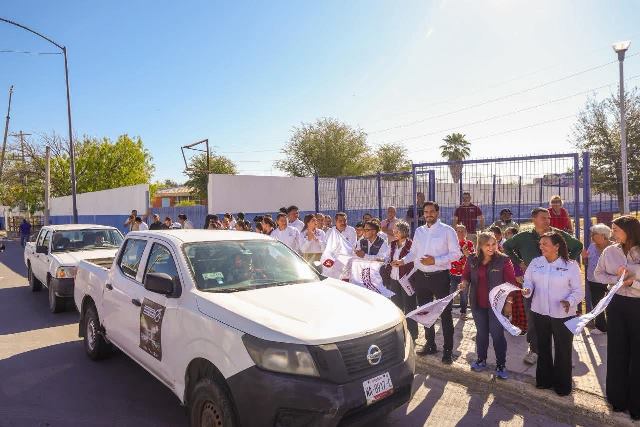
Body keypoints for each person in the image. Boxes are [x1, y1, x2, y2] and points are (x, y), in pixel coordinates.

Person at [503, 207, 583, 365]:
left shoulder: (557, 235)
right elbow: (507, 247)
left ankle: (563, 353)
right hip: (533, 284)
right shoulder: (524, 236)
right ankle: (534, 350)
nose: (548, 220)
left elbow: (578, 246)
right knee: (533, 318)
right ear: (534, 219)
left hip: (557, 285)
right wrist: (519, 263)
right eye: (544, 218)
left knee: (561, 319)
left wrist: (566, 262)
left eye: (549, 218)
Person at [392, 201, 461, 364]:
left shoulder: (447, 231)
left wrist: (435, 260)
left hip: (440, 277)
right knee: (425, 313)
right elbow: (414, 253)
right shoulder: (419, 231)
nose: (428, 214)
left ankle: (448, 351)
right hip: (421, 278)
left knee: (445, 315)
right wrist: (402, 261)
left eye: (431, 211)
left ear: (437, 212)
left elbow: (456, 254)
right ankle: (430, 345)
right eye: (426, 212)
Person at [522, 231, 583, 396]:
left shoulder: (571, 265)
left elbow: (579, 292)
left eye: (545, 244)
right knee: (543, 347)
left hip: (564, 315)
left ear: (557, 246)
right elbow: (528, 281)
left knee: (563, 350)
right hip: (539, 311)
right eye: (540, 244)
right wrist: (527, 289)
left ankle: (562, 386)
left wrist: (569, 301)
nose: (541, 247)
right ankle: (544, 381)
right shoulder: (535, 263)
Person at [594, 215, 640, 419]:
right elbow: (598, 274)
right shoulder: (609, 251)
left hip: (638, 305)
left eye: (616, 230)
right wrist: (617, 279)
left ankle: (636, 404)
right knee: (617, 352)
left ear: (629, 231)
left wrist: (632, 282)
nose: (612, 233)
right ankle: (618, 400)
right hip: (616, 306)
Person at [460, 232, 520, 380]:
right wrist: (464, 283)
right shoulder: (472, 259)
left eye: (494, 244)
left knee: (497, 334)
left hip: (497, 306)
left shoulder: (503, 260)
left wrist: (509, 303)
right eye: (488, 245)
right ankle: (481, 360)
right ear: (480, 245)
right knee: (481, 333)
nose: (492, 248)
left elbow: (511, 283)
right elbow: (466, 276)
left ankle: (501, 365)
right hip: (477, 304)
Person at [383, 220, 418, 341]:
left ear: (404, 231)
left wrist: (401, 262)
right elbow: (387, 257)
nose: (394, 232)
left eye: (397, 230)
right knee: (396, 307)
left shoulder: (411, 244)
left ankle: (412, 334)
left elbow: (413, 258)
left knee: (410, 307)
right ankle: (399, 333)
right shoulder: (392, 244)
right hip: (394, 279)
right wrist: (387, 261)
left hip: (407, 279)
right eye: (394, 230)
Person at [582, 223, 612, 334]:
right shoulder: (592, 246)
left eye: (594, 234)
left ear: (603, 235)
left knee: (612, 304)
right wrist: (584, 258)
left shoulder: (614, 247)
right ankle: (601, 327)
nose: (592, 236)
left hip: (610, 280)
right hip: (594, 279)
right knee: (597, 303)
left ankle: (613, 326)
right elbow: (586, 263)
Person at [450, 224, 474, 320]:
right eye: (458, 231)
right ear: (455, 233)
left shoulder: (469, 244)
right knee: (450, 294)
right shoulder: (451, 243)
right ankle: (448, 312)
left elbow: (472, 258)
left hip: (465, 275)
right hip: (452, 274)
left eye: (462, 231)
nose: (460, 233)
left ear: (466, 233)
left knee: (464, 295)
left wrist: (466, 253)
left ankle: (463, 312)